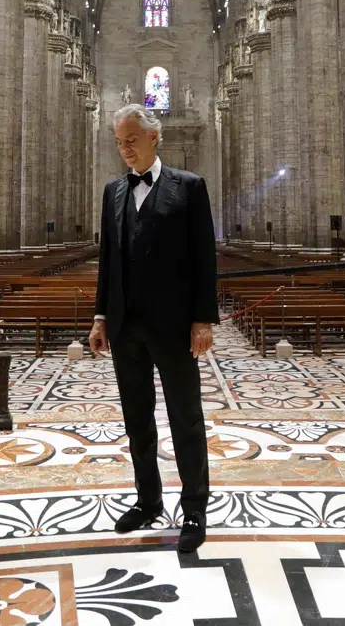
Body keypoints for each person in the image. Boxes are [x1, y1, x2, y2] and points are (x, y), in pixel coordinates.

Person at [90, 103, 218, 553]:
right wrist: (101, 317)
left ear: (153, 138)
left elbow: (205, 259)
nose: (124, 149)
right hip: (127, 328)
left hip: (174, 325)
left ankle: (195, 508)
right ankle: (148, 499)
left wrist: (203, 319)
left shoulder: (189, 187)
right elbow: (108, 260)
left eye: (131, 140)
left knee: (186, 419)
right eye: (119, 141)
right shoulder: (113, 192)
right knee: (137, 421)